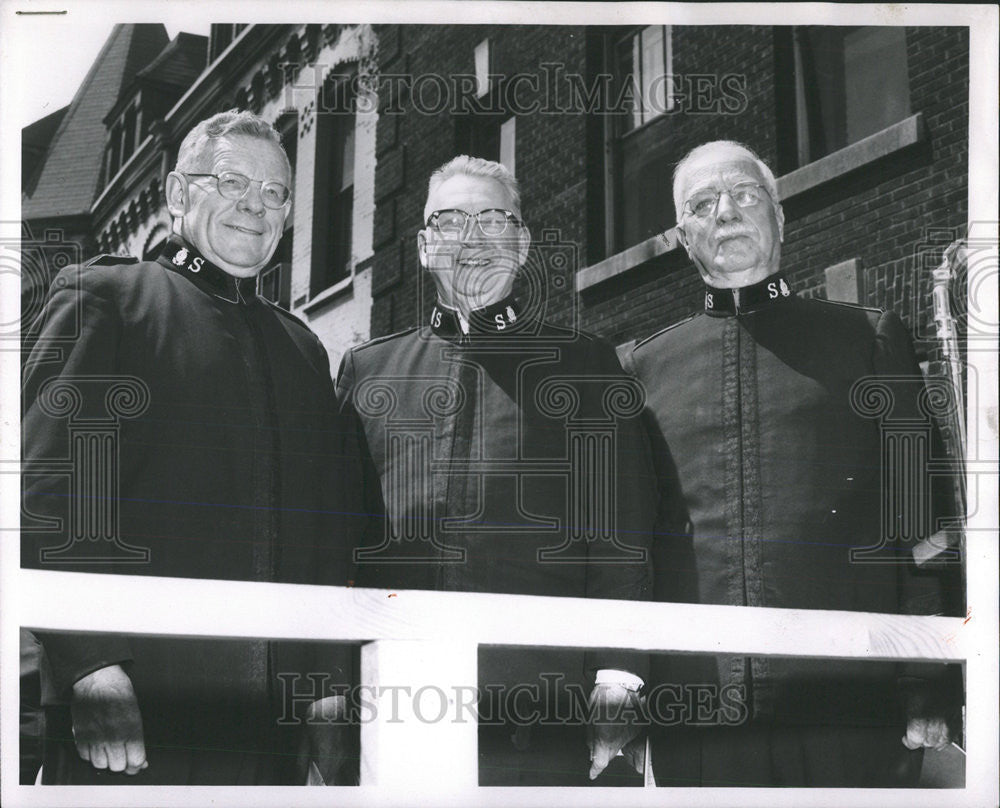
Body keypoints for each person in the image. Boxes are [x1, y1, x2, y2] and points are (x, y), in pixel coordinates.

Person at [21, 110, 362, 785]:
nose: (254, 206)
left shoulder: (301, 348)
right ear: (178, 195)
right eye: (231, 181)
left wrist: (324, 692)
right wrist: (91, 665)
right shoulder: (107, 299)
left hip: (270, 738)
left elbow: (326, 540)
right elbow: (50, 498)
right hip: (136, 722)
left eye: (275, 193)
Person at [618, 141, 962, 787]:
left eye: (745, 195)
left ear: (779, 215)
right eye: (702, 203)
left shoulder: (867, 339)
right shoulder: (643, 370)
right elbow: (631, 553)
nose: (726, 213)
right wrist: (622, 682)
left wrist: (929, 681)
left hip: (852, 708)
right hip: (700, 721)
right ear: (680, 236)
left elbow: (924, 531)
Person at [336, 155, 659, 785]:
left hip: (541, 713)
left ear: (523, 241)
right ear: (426, 246)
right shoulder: (369, 371)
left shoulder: (584, 367)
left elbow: (622, 537)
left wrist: (618, 676)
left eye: (492, 219)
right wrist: (326, 688)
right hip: (392, 707)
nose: (472, 238)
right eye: (450, 221)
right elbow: (335, 542)